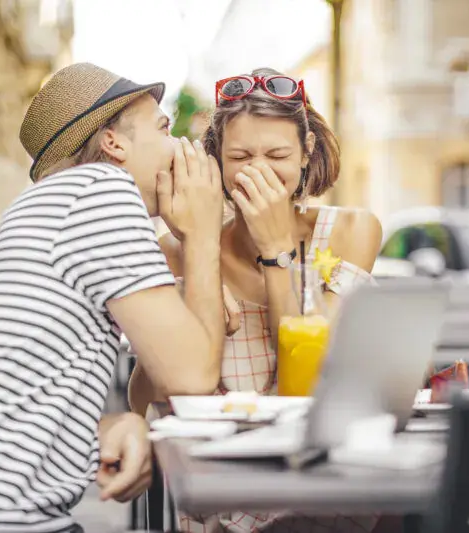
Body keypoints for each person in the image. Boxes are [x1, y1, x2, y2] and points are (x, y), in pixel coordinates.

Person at [0, 63, 226, 533]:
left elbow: (158, 376)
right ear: (113, 143)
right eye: (164, 128)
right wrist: (203, 235)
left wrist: (111, 426)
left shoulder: (58, 203)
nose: (185, 147)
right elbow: (192, 382)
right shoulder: (101, 193)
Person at [128, 68, 384, 533]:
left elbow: (306, 387)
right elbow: (144, 400)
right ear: (216, 164)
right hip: (220, 492)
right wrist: (190, 291)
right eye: (240, 156)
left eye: (278, 154)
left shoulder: (351, 231)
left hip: (319, 484)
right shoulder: (179, 250)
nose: (258, 170)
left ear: (307, 153)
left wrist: (277, 254)